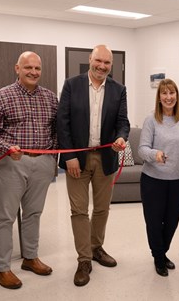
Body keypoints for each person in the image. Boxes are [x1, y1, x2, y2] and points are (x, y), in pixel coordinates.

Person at [0, 51, 58, 290]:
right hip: (11, 163)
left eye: (37, 68)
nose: (33, 72)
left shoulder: (50, 97)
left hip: (43, 162)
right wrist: (6, 147)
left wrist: (52, 154)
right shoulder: (1, 96)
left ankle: (30, 257)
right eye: (28, 68)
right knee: (6, 217)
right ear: (17, 68)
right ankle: (2, 268)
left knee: (34, 213)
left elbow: (56, 129)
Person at [57, 44, 130, 287]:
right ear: (90, 59)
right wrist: (69, 157)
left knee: (101, 209)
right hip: (77, 157)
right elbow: (62, 122)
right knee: (79, 210)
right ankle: (84, 259)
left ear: (111, 65)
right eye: (98, 61)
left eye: (107, 63)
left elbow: (123, 122)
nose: (102, 66)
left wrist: (121, 137)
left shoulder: (119, 90)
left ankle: (96, 247)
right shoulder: (72, 85)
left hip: (105, 157)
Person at [137, 79, 179, 277]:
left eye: (172, 93)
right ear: (159, 97)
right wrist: (155, 154)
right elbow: (142, 149)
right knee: (154, 221)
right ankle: (158, 257)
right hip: (153, 180)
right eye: (164, 94)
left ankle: (162, 251)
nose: (168, 97)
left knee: (172, 221)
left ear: (176, 96)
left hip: (177, 180)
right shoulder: (151, 120)